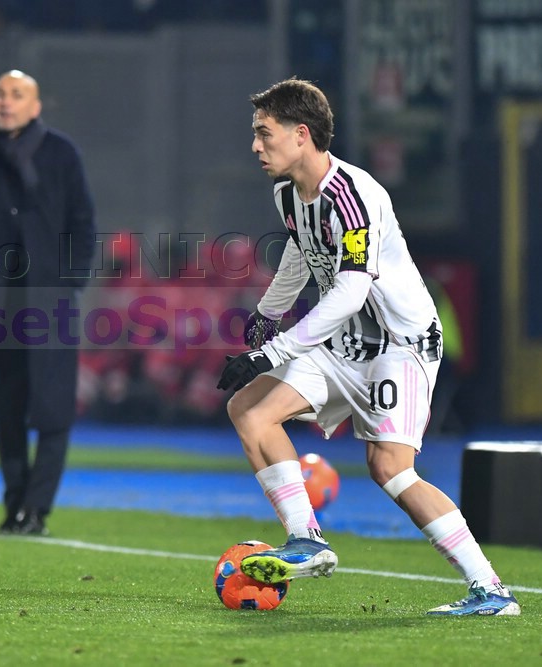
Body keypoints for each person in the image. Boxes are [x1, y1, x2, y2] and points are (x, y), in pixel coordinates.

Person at [217, 78, 520, 616]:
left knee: (391, 469)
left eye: (264, 133)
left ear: (301, 134)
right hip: (346, 341)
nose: (255, 145)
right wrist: (267, 313)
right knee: (249, 409)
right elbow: (301, 252)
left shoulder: (354, 196)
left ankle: (491, 590)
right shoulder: (288, 192)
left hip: (400, 345)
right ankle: (306, 539)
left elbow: (351, 289)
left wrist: (274, 351)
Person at [0, 70, 96, 536]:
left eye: (17, 95)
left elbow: (83, 220)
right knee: (6, 406)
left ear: (36, 107)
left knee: (53, 407)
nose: (6, 101)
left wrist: (69, 282)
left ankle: (37, 509)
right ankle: (15, 505)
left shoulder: (61, 152)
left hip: (48, 297)